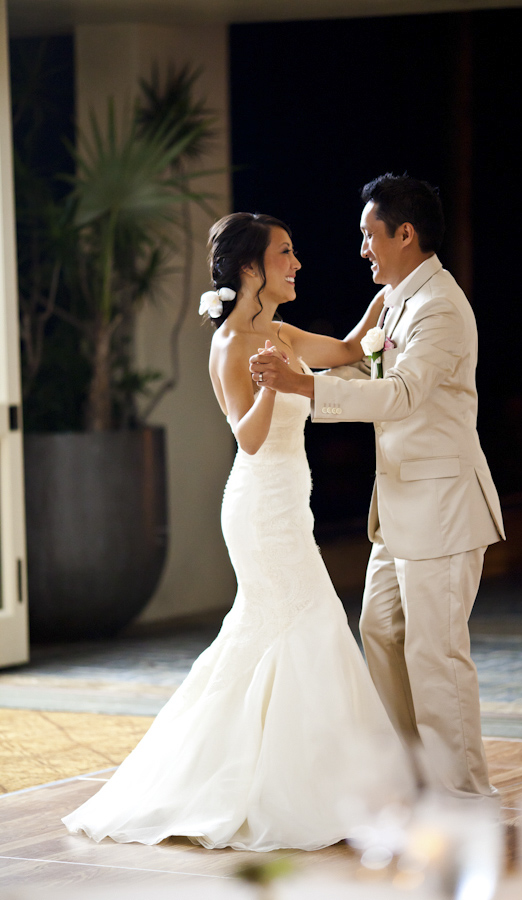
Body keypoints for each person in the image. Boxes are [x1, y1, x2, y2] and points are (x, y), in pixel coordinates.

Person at [62, 212, 414, 851]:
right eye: (285, 252)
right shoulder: (230, 345)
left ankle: (313, 781)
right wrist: (272, 385)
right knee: (313, 624)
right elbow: (249, 440)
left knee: (281, 632)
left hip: (288, 504)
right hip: (258, 510)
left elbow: (344, 350)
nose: (296, 263)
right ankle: (317, 791)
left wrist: (386, 301)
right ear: (252, 268)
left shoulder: (278, 331)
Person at [250, 175, 506, 799]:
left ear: (405, 233)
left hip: (443, 510)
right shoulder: (397, 300)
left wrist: (304, 387)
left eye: (370, 236)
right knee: (381, 630)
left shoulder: (440, 307)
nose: (362, 248)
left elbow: (402, 394)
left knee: (436, 657)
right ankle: (420, 777)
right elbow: (363, 358)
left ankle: (464, 798)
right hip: (398, 511)